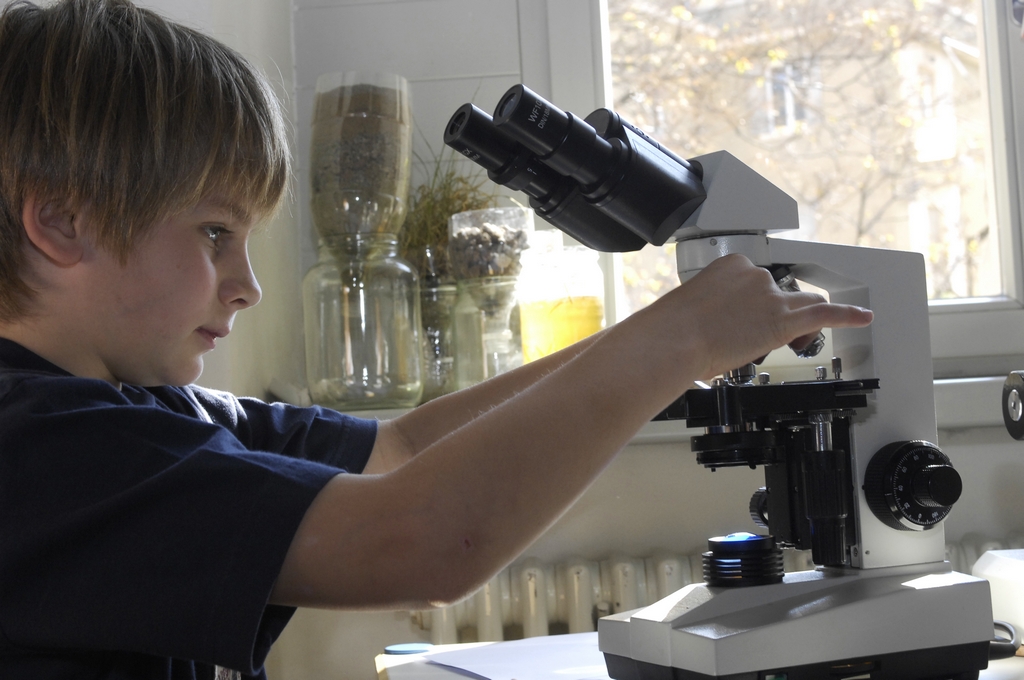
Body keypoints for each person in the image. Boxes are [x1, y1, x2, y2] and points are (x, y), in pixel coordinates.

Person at [0, 0, 874, 678]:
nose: (248, 285)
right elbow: (419, 538)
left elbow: (399, 447)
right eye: (215, 234)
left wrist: (667, 333)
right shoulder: (39, 451)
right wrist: (677, 344)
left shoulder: (147, 406)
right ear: (63, 223)